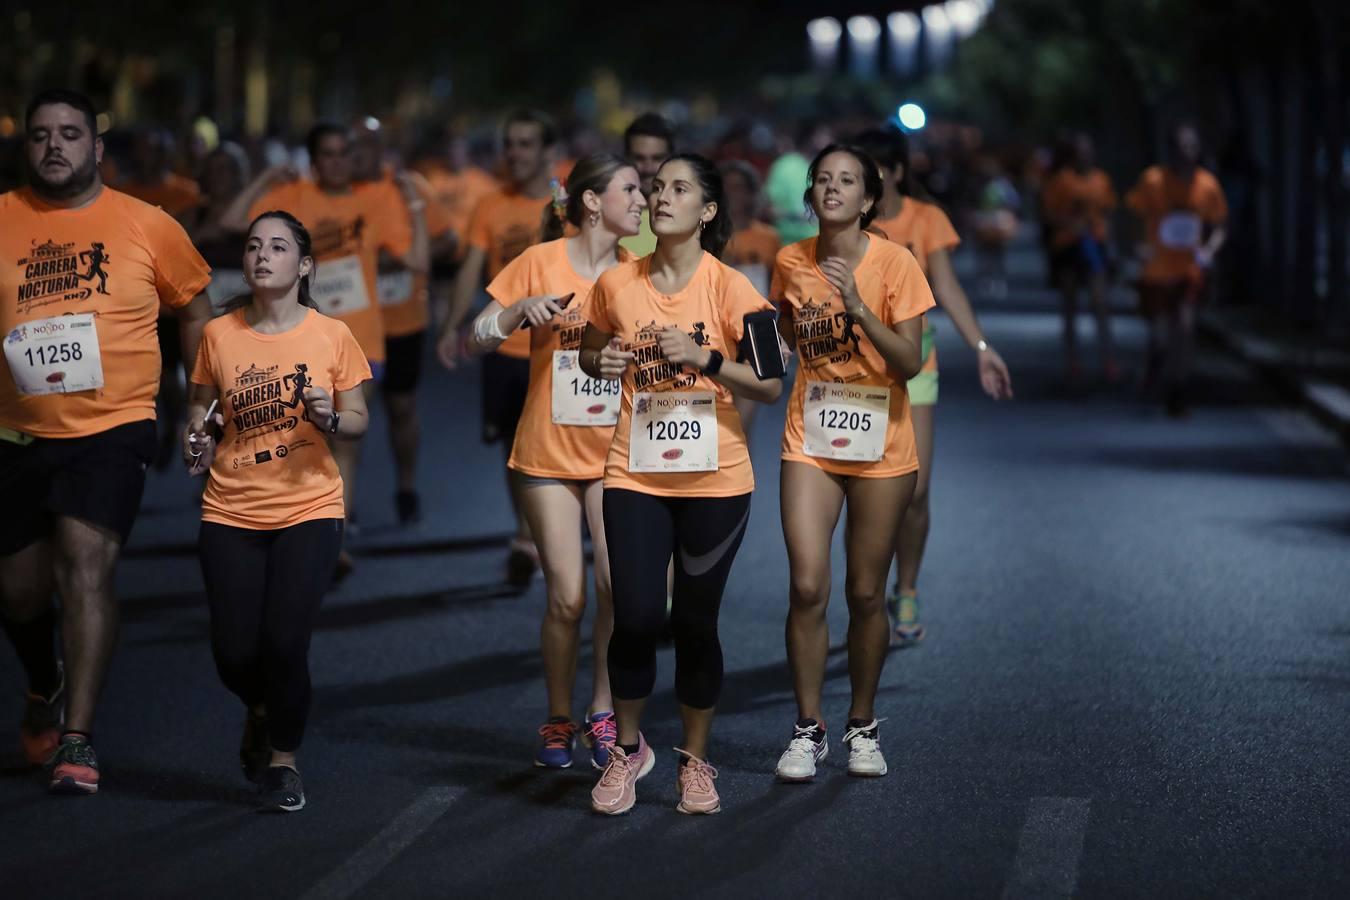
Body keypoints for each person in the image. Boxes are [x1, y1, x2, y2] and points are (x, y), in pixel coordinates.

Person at [0, 90, 213, 793]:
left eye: (69, 134)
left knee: (85, 565)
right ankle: (43, 681)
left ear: (97, 148)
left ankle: (79, 738)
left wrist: (198, 401)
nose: (52, 146)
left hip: (114, 426)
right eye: (39, 136)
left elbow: (194, 308)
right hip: (14, 431)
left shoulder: (147, 225)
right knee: (20, 591)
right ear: (24, 148)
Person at [579, 154, 782, 815]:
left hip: (716, 480)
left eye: (680, 189)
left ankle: (696, 763)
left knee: (695, 622)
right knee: (636, 616)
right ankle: (626, 752)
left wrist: (706, 358)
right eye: (657, 186)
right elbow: (589, 348)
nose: (662, 197)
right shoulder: (616, 282)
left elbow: (773, 384)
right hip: (634, 472)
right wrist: (601, 358)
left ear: (708, 211)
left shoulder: (737, 290)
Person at [184, 210, 371, 812]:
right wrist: (196, 438)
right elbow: (199, 414)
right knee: (234, 653)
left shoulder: (331, 334)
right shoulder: (218, 334)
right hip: (231, 507)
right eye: (254, 246)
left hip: (309, 505)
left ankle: (284, 761)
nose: (264, 255)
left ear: (304, 265)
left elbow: (359, 419)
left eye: (279, 247)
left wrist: (331, 418)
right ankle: (262, 710)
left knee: (285, 641)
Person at [467, 155, 644, 769]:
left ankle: (601, 711)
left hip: (616, 454)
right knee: (566, 597)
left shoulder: (635, 272)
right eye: (630, 189)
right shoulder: (540, 260)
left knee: (612, 587)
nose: (642, 200)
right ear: (592, 201)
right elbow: (476, 336)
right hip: (546, 452)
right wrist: (519, 312)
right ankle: (557, 718)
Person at [769, 145, 933, 783]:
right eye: (824, 180)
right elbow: (784, 332)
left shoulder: (897, 263)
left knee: (866, 592)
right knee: (808, 584)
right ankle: (807, 728)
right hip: (809, 439)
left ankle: (861, 723)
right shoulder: (790, 260)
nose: (833, 189)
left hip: (882, 447)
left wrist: (859, 305)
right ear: (812, 195)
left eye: (847, 182)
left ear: (868, 200)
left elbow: (911, 362)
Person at [222, 122, 427, 570]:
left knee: (344, 440)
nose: (338, 162)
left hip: (360, 341)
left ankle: (334, 541)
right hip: (296, 339)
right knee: (293, 438)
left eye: (345, 153)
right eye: (328, 154)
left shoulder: (375, 200)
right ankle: (290, 525)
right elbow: (233, 222)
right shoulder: (294, 199)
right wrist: (264, 181)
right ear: (313, 161)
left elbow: (418, 260)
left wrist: (413, 205)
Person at [857, 127, 1014, 647]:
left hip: (914, 371)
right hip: (852, 378)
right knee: (860, 492)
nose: (866, 180)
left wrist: (981, 348)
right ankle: (866, 595)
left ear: (898, 171)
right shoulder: (848, 224)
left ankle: (906, 587)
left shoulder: (925, 221)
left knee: (915, 490)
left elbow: (946, 287)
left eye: (876, 168)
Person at [437, 110, 559, 585]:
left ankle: (545, 532)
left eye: (527, 144)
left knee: (555, 442)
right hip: (506, 345)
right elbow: (471, 269)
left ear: (548, 151)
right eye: (511, 144)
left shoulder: (565, 204)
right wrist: (451, 326)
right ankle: (525, 533)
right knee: (513, 445)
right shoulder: (489, 205)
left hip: (557, 347)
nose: (516, 153)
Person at [352, 120, 456, 524]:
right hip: (352, 323)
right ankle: (346, 502)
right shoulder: (337, 193)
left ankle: (406, 487)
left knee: (401, 407)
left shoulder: (408, 186)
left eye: (366, 145)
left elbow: (448, 238)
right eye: (352, 147)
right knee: (352, 413)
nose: (358, 155)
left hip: (404, 320)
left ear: (382, 147)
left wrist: (407, 257)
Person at [1125, 124, 1228, 417]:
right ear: (1170, 150)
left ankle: (1178, 390)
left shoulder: (1207, 185)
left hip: (1189, 271)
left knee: (1184, 327)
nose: (1187, 152)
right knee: (1160, 335)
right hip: (1156, 271)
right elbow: (1133, 214)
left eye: (1192, 146)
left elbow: (1219, 226)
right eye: (1181, 146)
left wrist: (1209, 250)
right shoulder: (1153, 181)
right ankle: (1157, 362)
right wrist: (1137, 246)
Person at [1041, 133, 1120, 382]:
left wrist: (1111, 243)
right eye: (1080, 151)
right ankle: (1072, 361)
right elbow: (1048, 214)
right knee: (1071, 306)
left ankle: (1108, 359)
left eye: (1088, 151)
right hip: (1068, 248)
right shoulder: (1061, 181)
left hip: (1094, 246)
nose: (1085, 156)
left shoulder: (1101, 180)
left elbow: (1108, 212)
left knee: (1100, 303)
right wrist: (1070, 224)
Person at [720, 159, 782, 436]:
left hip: (755, 329)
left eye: (740, 188)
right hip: (718, 330)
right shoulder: (709, 235)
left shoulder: (768, 237)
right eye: (727, 188)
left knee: (742, 427)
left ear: (751, 193)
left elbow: (775, 288)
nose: (734, 195)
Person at [618, 113, 675, 258]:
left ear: (672, 158)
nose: (648, 168)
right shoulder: (607, 214)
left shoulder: (690, 216)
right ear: (625, 157)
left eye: (657, 158)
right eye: (639, 158)